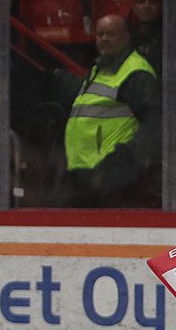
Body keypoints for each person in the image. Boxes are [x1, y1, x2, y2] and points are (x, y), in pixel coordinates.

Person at [56, 14, 161, 207]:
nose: (103, 39)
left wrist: (121, 163)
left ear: (126, 37)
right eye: (100, 34)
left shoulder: (136, 72)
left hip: (110, 179)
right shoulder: (100, 68)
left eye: (110, 34)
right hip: (84, 174)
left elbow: (154, 125)